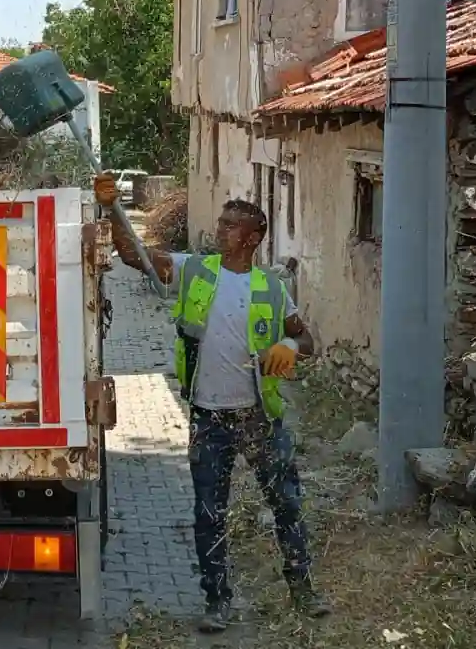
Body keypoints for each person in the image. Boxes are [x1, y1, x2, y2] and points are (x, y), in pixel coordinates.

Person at [94, 172, 331, 633]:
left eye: (229, 225)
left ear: (253, 236)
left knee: (286, 505)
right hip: (209, 419)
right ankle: (216, 602)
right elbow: (133, 257)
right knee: (209, 513)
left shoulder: (271, 287)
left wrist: (290, 345)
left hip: (260, 418)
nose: (220, 230)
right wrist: (110, 210)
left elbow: (308, 340)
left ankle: (304, 592)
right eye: (221, 223)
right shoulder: (195, 270)